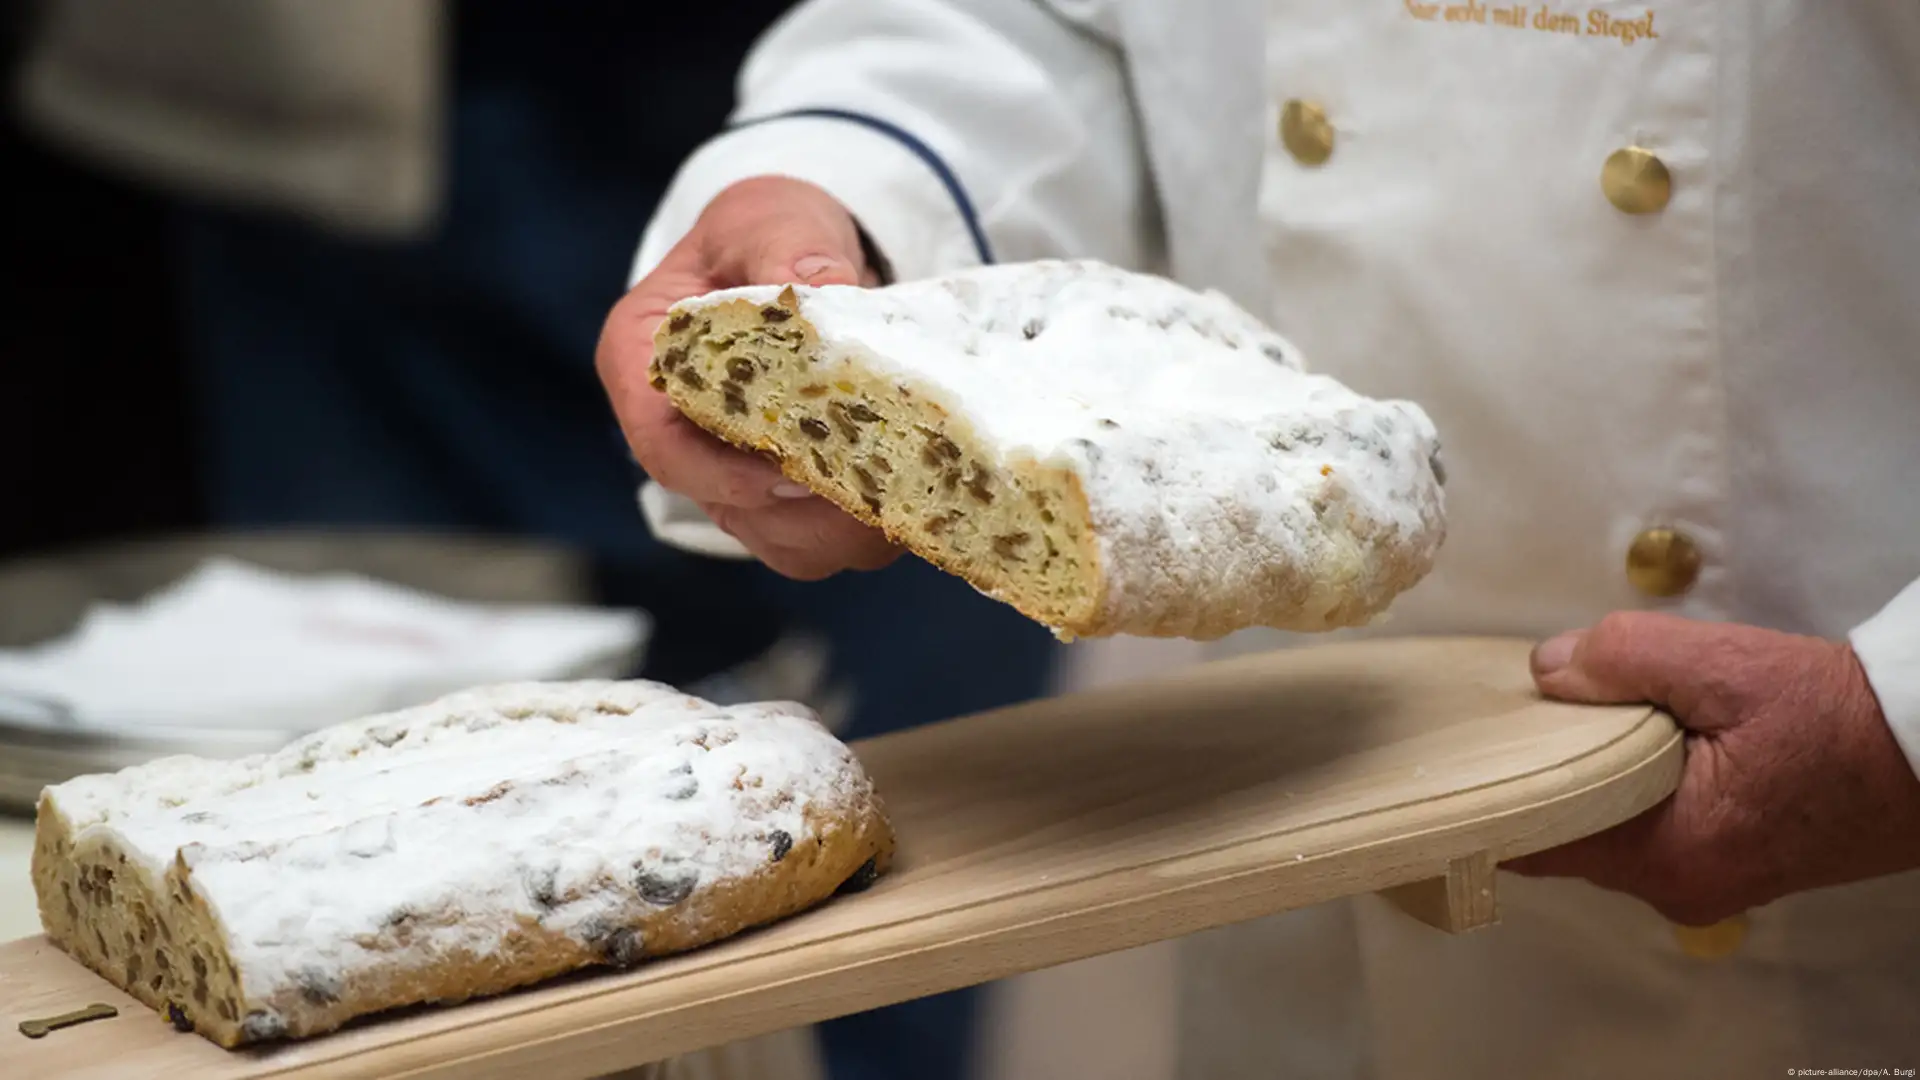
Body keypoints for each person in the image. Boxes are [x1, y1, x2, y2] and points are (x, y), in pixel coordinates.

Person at [599, 0, 1920, 1073]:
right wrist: (843, 199)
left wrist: (1900, 724)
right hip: (1290, 806)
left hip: (1845, 897)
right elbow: (1062, 29)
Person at [15, 2, 1059, 1077]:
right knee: (371, 837)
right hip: (347, 109)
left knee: (877, 908)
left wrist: (868, 171)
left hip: (847, 92)